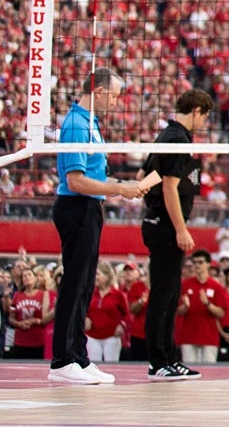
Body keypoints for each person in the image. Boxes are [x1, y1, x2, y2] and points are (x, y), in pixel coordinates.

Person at [49, 67, 156, 385]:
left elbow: (94, 179)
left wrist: (122, 186)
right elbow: (77, 181)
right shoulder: (76, 125)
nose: (116, 101)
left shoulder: (91, 123)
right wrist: (119, 189)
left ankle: (78, 358)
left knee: (84, 284)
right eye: (114, 94)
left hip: (90, 208)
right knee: (74, 282)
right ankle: (62, 360)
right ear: (97, 90)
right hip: (76, 207)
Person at [139, 88, 213, 380]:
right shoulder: (177, 138)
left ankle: (167, 358)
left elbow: (146, 177)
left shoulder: (169, 136)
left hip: (160, 221)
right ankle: (158, 362)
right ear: (196, 111)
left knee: (169, 295)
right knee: (163, 295)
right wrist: (181, 229)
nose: (204, 123)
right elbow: (168, 186)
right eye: (205, 117)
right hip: (166, 225)